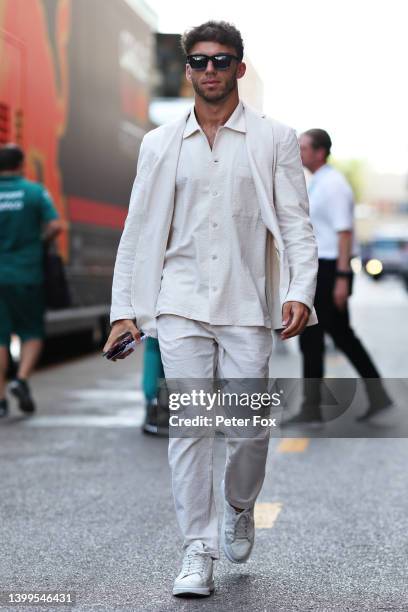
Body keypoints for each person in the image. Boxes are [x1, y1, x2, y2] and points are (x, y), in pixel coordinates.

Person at [104, 21, 318, 597]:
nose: (210, 71)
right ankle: (196, 549)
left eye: (222, 62)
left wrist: (300, 291)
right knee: (192, 428)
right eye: (199, 62)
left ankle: (239, 504)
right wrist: (124, 308)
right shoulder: (159, 143)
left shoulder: (274, 138)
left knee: (247, 429)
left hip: (249, 304)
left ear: (239, 68)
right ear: (187, 70)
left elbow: (297, 225)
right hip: (179, 303)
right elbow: (139, 229)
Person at [286, 129, 392, 426]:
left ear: (320, 152)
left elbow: (345, 232)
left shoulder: (334, 185)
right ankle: (321, 405)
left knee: (329, 336)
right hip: (322, 268)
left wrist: (343, 278)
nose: (299, 152)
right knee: (319, 338)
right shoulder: (319, 182)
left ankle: (317, 407)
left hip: (331, 269)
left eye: (303, 147)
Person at [0, 144, 62, 417]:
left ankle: (1, 400)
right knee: (31, 332)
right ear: (21, 165)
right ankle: (21, 380)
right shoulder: (35, 192)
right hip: (27, 273)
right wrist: (40, 242)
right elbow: (56, 225)